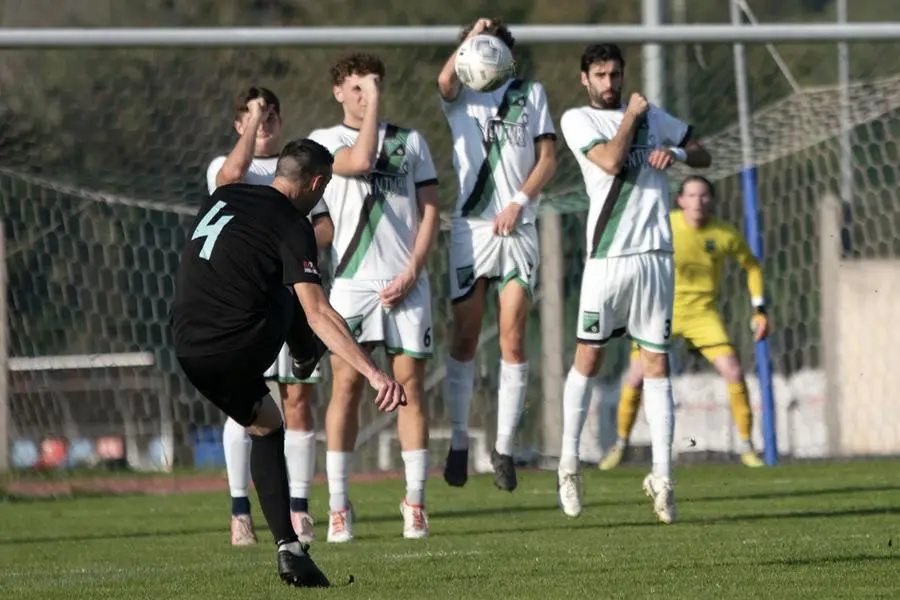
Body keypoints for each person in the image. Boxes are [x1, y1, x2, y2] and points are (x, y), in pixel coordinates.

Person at [172, 138, 406, 586]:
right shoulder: (293, 223)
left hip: (187, 344)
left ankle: (289, 548)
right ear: (317, 183)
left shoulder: (226, 193)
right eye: (325, 187)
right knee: (297, 290)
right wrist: (374, 373)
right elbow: (317, 313)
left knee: (266, 423)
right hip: (237, 342)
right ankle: (302, 355)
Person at [556, 43, 712, 524]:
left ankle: (663, 479)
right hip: (608, 258)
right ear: (585, 79)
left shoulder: (652, 116)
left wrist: (678, 151)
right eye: (600, 75)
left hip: (656, 258)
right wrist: (635, 117)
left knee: (656, 363)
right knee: (590, 355)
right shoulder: (578, 120)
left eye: (615, 74)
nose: (609, 83)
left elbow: (703, 152)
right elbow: (609, 161)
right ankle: (568, 464)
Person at [308, 52, 440, 542]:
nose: (367, 96)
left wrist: (412, 271)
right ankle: (339, 506)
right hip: (352, 282)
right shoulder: (324, 142)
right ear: (338, 92)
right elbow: (361, 161)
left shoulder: (411, 141)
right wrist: (372, 108)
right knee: (347, 388)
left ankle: (416, 501)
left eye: (374, 86)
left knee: (410, 387)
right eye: (358, 88)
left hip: (406, 281)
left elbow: (429, 210)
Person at [437, 17, 558, 492]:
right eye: (479, 47)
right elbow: (444, 80)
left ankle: (504, 448)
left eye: (496, 47)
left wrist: (519, 202)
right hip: (472, 230)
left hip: (519, 227)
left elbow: (548, 159)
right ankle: (460, 441)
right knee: (465, 338)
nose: (487, 55)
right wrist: (469, 36)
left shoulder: (532, 94)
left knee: (513, 337)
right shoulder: (460, 96)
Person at [206, 86, 329, 545]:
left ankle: (299, 509)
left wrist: (295, 254)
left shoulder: (299, 170)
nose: (267, 122)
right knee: (246, 404)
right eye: (256, 115)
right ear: (240, 123)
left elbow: (324, 226)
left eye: (273, 114)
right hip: (246, 304)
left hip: (289, 298)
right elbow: (230, 179)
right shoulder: (227, 165)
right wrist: (253, 125)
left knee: (297, 400)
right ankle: (240, 511)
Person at [599, 175, 770, 471]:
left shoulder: (725, 234)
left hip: (702, 314)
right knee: (635, 377)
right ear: (680, 200)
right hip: (659, 311)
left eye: (703, 196)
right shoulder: (664, 225)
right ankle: (621, 443)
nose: (698, 201)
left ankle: (746, 446)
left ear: (711, 200)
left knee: (733, 371)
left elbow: (752, 266)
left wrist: (759, 308)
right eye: (691, 195)